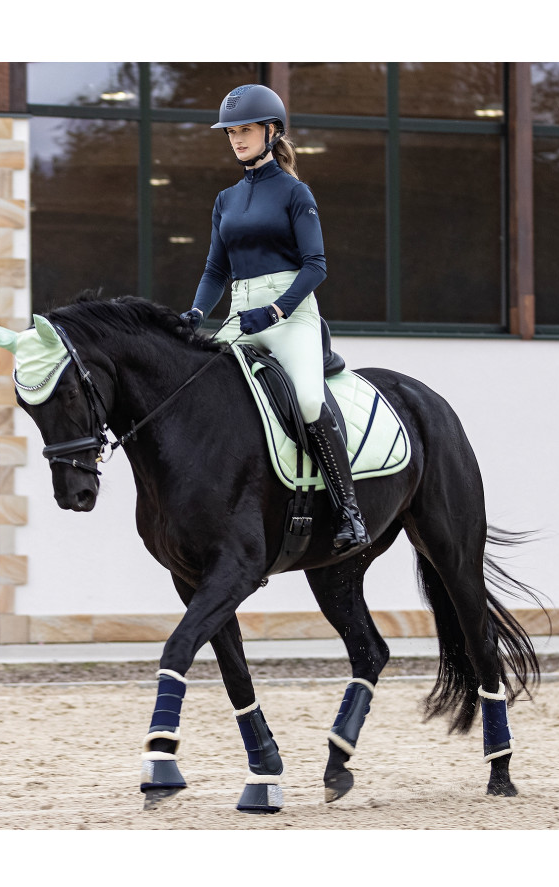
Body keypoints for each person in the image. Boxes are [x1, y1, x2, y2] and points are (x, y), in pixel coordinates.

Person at [180, 83, 369, 555]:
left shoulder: (294, 192)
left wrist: (277, 309)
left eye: (245, 130)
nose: (237, 139)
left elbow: (317, 266)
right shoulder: (225, 199)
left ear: (271, 131)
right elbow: (214, 270)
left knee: (307, 399)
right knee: (198, 388)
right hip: (241, 313)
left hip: (290, 315)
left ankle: (349, 511)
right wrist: (197, 313)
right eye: (231, 132)